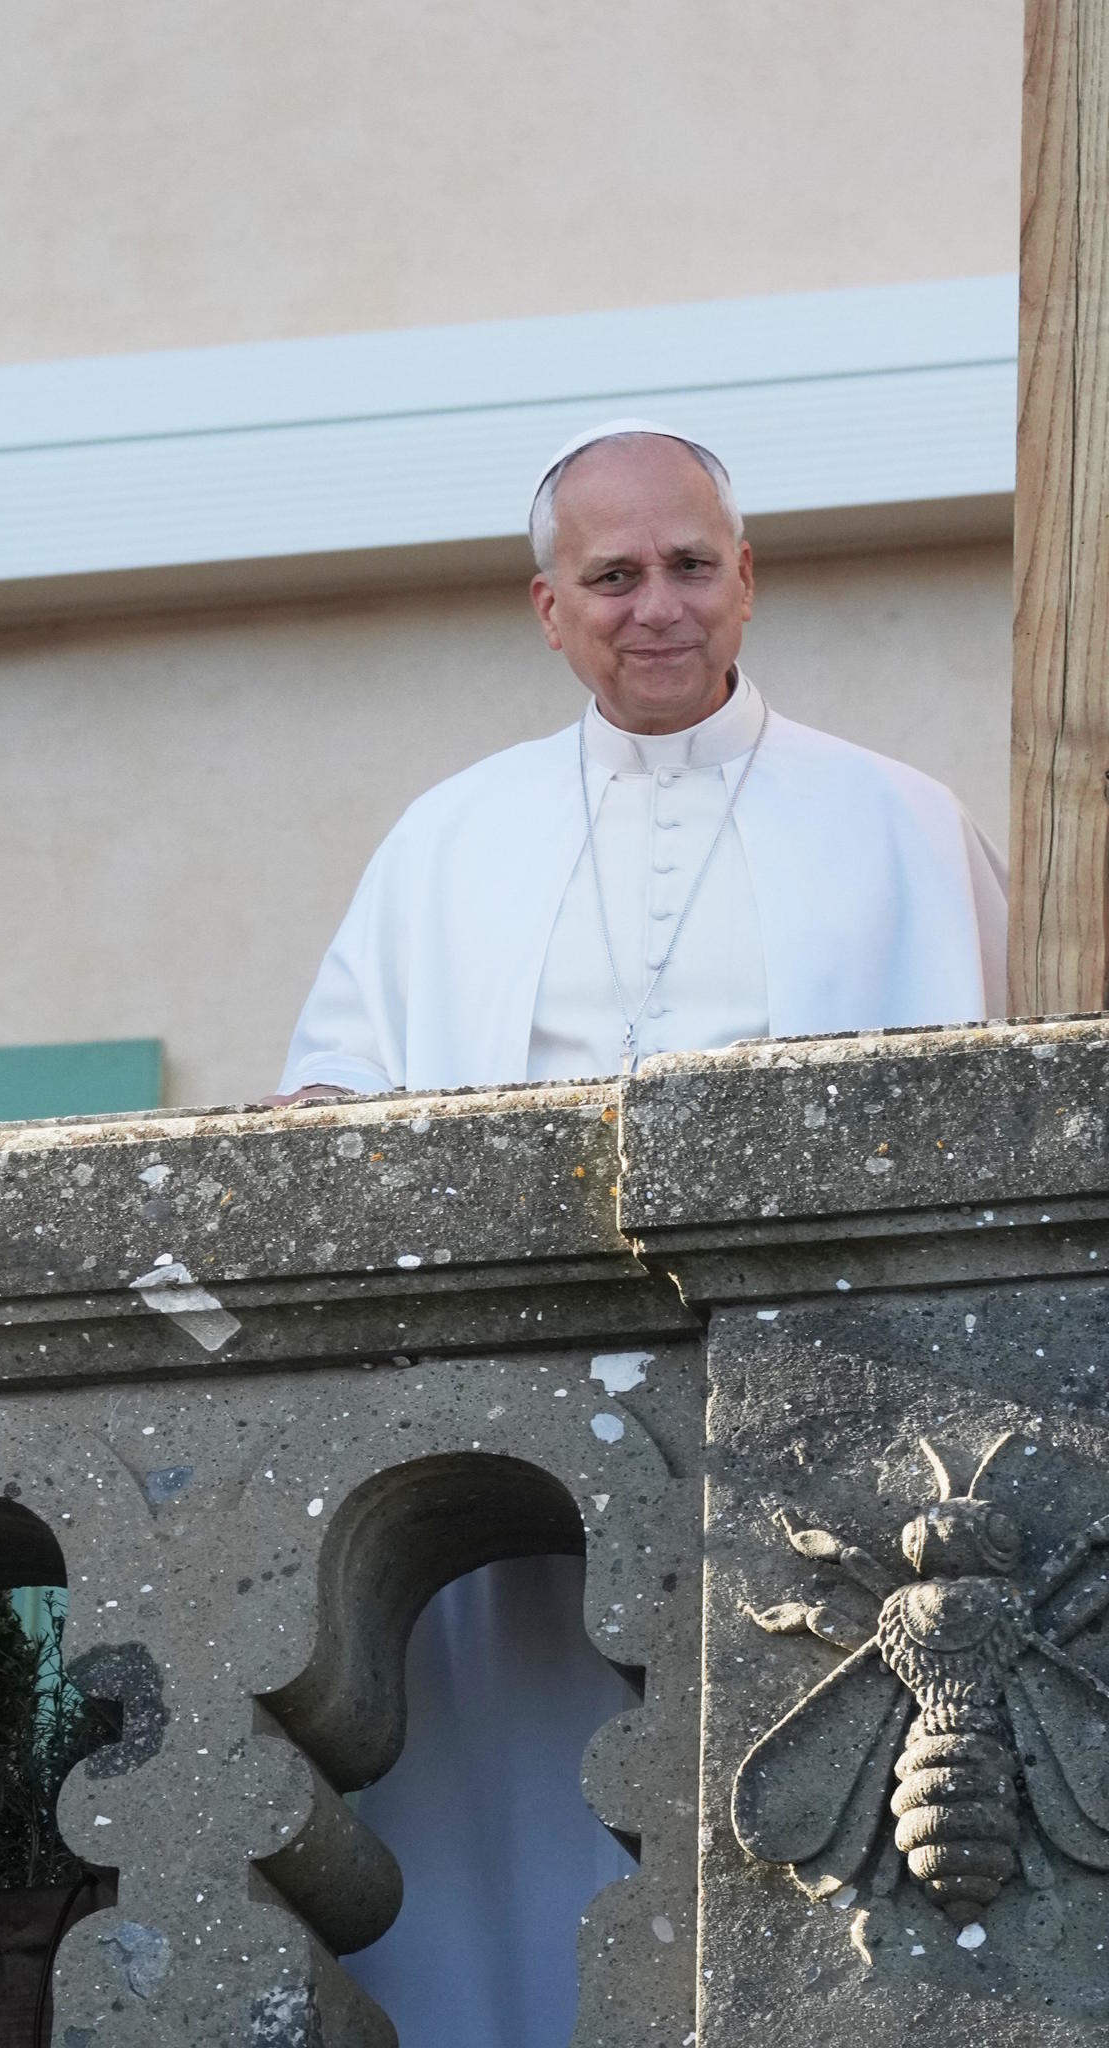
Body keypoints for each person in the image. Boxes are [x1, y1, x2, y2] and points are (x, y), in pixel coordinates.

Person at [275, 421, 1006, 2046]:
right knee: (511, 1847)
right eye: (611, 575)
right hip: (507, 1485)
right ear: (549, 607)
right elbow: (330, 1111)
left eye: (688, 565)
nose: (653, 604)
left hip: (820, 1476)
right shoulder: (443, 841)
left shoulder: (899, 822)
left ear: (744, 580)